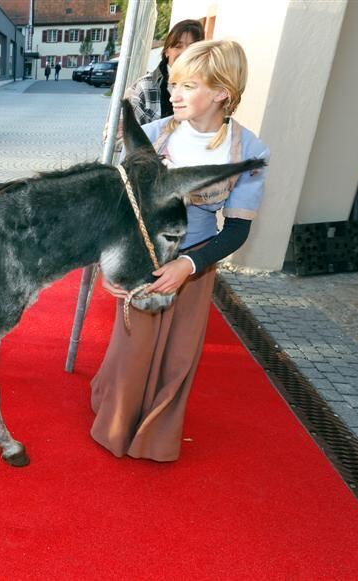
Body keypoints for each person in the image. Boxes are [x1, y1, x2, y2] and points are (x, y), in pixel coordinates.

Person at [92, 40, 269, 462]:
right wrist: (107, 264)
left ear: (222, 91)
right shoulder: (152, 136)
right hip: (142, 258)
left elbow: (237, 229)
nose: (174, 94)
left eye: (188, 86)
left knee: (178, 356)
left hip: (196, 265)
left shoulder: (250, 151)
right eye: (174, 84)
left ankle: (156, 434)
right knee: (133, 350)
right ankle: (116, 422)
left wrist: (188, 265)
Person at [126, 19, 205, 126]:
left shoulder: (209, 89)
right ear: (167, 51)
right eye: (178, 46)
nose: (185, 52)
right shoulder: (144, 87)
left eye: (192, 47)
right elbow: (126, 132)